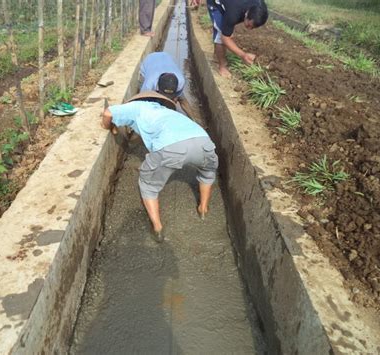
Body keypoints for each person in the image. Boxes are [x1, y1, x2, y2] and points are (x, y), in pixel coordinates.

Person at [101, 92, 219, 243]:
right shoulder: (166, 112)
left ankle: (157, 227)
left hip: (171, 146)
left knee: (148, 185)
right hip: (204, 142)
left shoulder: (137, 106)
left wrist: (105, 126)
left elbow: (108, 112)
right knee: (207, 173)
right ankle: (203, 209)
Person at [207, 0, 268, 77]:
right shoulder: (234, 12)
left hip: (231, 4)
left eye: (253, 27)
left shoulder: (260, 8)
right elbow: (224, 38)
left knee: (227, 31)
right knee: (220, 35)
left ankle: (216, 56)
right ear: (246, 14)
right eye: (249, 25)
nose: (249, 29)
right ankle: (222, 66)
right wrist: (243, 55)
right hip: (215, 3)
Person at [139, 52, 194, 118]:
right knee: (149, 101)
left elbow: (182, 101)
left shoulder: (180, 81)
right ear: (158, 88)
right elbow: (141, 102)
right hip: (150, 60)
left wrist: (194, 121)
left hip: (166, 57)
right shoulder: (149, 84)